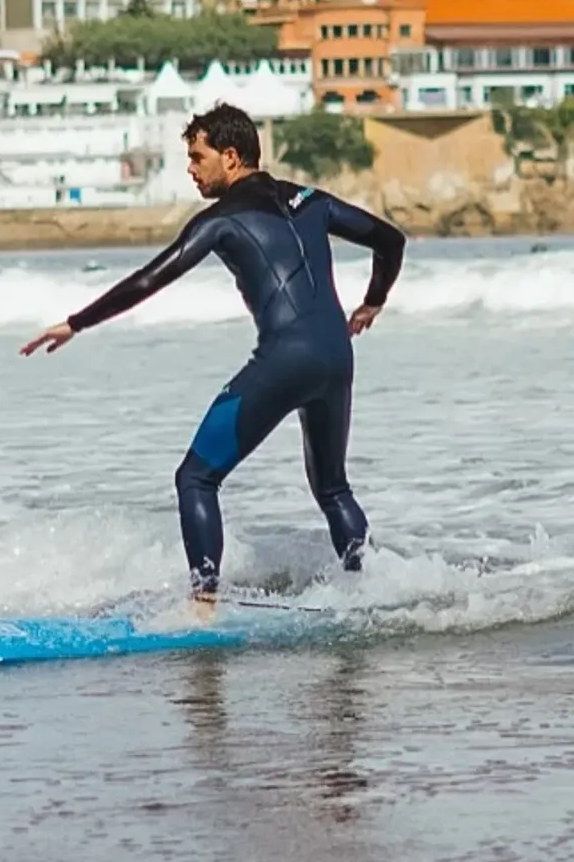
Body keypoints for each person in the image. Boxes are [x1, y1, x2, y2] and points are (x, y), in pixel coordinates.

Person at [22, 103, 406, 602]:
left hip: (285, 360)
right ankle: (367, 593)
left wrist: (77, 322)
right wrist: (372, 301)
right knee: (333, 489)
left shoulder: (223, 218)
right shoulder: (310, 200)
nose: (190, 168)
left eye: (197, 156)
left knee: (196, 478)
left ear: (230, 156)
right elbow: (390, 239)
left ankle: (204, 602)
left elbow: (151, 277)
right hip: (337, 355)